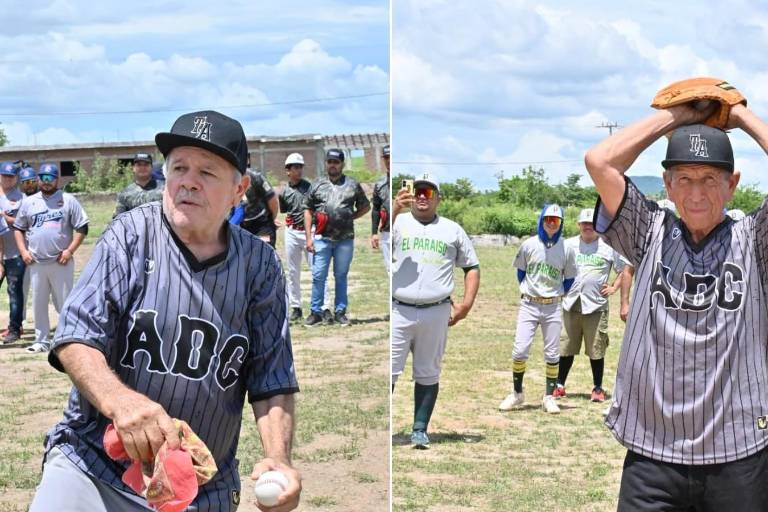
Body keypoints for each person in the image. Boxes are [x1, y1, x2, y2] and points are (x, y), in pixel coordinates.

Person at [28, 110, 301, 512]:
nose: (189, 180)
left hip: (197, 489)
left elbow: (271, 379)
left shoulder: (259, 265)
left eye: (207, 172)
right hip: (92, 467)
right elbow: (75, 337)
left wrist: (279, 458)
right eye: (179, 167)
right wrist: (121, 402)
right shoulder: (130, 235)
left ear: (238, 189)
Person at [584, 97, 768, 509]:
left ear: (732, 184)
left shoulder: (755, 239)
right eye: (683, 178)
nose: (696, 193)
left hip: (739, 451)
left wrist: (739, 116)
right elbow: (600, 161)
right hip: (654, 453)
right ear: (666, 185)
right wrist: (681, 116)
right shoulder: (647, 231)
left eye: (709, 178)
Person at [391, 172, 480, 449]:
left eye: (428, 193)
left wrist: (465, 305)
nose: (421, 197)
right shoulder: (399, 222)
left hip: (436, 310)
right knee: (389, 371)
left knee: (428, 371)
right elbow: (378, 236)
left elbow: (471, 267)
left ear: (438, 198)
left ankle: (420, 428)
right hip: (399, 309)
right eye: (417, 191)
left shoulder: (452, 229)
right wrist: (394, 208)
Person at [498, 204, 577, 414]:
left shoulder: (566, 248)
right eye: (547, 219)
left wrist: (555, 294)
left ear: (561, 224)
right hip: (529, 303)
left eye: (556, 221)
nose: (551, 224)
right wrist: (531, 291)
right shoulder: (528, 245)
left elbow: (569, 279)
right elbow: (521, 273)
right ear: (541, 220)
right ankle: (517, 393)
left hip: (552, 306)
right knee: (520, 349)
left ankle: (549, 397)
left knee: (552, 353)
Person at [14, 163, 88, 353]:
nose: (46, 182)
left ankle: (68, 338)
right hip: (36, 262)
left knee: (64, 301)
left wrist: (70, 251)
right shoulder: (29, 202)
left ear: (57, 180)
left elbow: (82, 228)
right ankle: (41, 340)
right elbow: (18, 229)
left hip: (60, 261)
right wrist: (24, 252)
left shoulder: (68, 200)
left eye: (50, 178)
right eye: (43, 178)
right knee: (38, 302)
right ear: (38, 179)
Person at [553, 208, 625, 403]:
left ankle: (598, 388)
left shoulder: (608, 246)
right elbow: (556, 267)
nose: (588, 226)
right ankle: (559, 385)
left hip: (596, 305)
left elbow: (624, 269)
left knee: (596, 348)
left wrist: (614, 287)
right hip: (571, 302)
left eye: (591, 223)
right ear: (578, 225)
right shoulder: (567, 245)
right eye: (584, 223)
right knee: (566, 346)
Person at [302, 148, 370, 327]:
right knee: (318, 276)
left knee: (341, 275)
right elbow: (307, 209)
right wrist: (309, 237)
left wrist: (351, 216)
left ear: (342, 164)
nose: (332, 165)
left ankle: (340, 311)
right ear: (326, 163)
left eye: (336, 162)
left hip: (344, 239)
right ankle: (315, 312)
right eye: (330, 161)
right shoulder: (316, 184)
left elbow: (365, 206)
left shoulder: (352, 184)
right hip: (321, 238)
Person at [279, 152, 330, 322]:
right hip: (292, 232)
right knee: (293, 271)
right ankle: (296, 307)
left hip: (311, 232)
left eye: (300, 167)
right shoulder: (284, 192)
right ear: (287, 170)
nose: (299, 170)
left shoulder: (310, 188)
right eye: (295, 167)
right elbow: (285, 210)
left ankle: (324, 307)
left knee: (318, 270)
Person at [0, 161, 26, 343]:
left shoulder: (22, 198)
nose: (7, 179)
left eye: (10, 176)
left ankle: (14, 329)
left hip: (15, 253)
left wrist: (5, 217)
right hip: (0, 254)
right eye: (4, 175)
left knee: (15, 292)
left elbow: (23, 223)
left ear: (16, 178)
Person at [113, 153, 164, 217]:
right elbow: (118, 219)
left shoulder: (164, 188)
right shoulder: (124, 193)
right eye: (139, 165)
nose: (142, 167)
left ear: (151, 167)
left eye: (146, 165)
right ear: (133, 168)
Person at [240, 165, 279, 248]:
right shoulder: (229, 177)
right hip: (242, 225)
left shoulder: (255, 176)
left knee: (264, 253)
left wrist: (272, 219)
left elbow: (273, 201)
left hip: (262, 224)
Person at [371, 145, 391, 274]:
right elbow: (376, 209)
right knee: (390, 270)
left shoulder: (406, 183)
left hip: (405, 231)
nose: (389, 161)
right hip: (387, 232)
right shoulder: (380, 184)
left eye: (391, 157)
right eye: (386, 158)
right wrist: (374, 233)